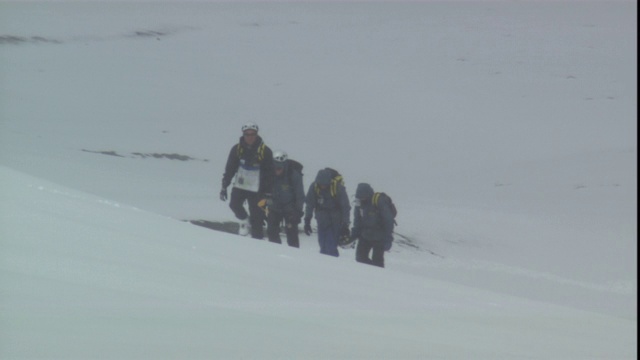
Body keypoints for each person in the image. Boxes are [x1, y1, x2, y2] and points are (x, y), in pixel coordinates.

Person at [219, 122, 274, 239]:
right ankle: (244, 221)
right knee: (234, 205)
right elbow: (230, 168)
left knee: (257, 218)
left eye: (252, 134)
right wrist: (224, 185)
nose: (250, 137)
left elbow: (270, 173)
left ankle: (257, 244)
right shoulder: (237, 149)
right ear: (243, 135)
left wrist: (268, 193)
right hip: (240, 185)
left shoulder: (265, 151)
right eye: (247, 134)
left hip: (258, 189)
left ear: (257, 134)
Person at [303, 168, 350, 257]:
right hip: (322, 220)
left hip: (335, 221)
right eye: (320, 184)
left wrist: (345, 225)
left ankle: (332, 265)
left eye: (324, 184)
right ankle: (324, 265)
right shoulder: (314, 187)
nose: (322, 186)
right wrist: (307, 221)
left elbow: (345, 207)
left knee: (331, 245)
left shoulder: (337, 188)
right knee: (322, 245)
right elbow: (309, 204)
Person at [265, 150, 305, 247]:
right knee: (271, 231)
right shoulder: (268, 174)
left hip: (290, 208)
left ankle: (294, 256)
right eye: (276, 167)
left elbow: (300, 195)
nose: (277, 170)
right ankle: (276, 252)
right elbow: (265, 191)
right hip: (274, 207)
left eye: (280, 168)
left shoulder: (294, 175)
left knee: (292, 234)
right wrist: (267, 207)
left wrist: (298, 211)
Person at [351, 183, 394, 268]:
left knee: (377, 262)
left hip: (379, 237)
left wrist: (388, 238)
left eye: (363, 197)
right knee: (360, 258)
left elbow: (388, 220)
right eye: (359, 197)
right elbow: (357, 218)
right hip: (365, 235)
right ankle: (368, 274)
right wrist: (354, 234)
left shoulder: (378, 201)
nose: (361, 199)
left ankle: (377, 278)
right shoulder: (359, 202)